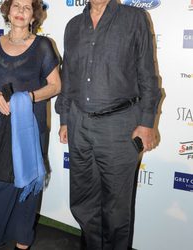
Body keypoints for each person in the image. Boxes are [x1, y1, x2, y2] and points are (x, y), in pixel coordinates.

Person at [55, 0, 161, 250]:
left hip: (119, 126)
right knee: (83, 202)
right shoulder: (73, 26)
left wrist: (147, 122)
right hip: (79, 123)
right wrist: (64, 118)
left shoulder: (134, 18)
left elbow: (147, 73)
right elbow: (67, 75)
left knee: (116, 209)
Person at [0, 0, 61, 249]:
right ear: (7, 12)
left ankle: (21, 244)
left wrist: (28, 98)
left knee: (26, 191)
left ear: (34, 15)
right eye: (16, 6)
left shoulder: (43, 47)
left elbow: (56, 86)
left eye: (27, 7)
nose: (21, 11)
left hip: (29, 129)